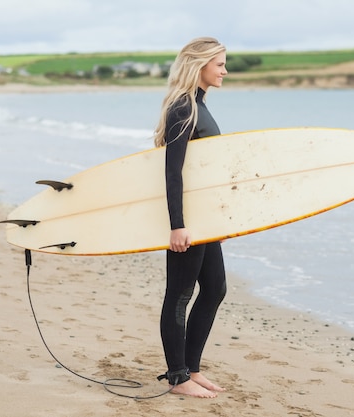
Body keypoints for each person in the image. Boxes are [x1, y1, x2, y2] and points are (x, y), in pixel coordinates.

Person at [152, 37, 228, 399]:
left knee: (215, 289)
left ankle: (191, 369)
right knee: (179, 295)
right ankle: (177, 378)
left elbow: (203, 170)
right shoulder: (184, 107)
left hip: (205, 217)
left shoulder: (199, 104)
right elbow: (174, 171)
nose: (225, 71)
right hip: (188, 219)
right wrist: (177, 225)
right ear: (200, 66)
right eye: (220, 64)